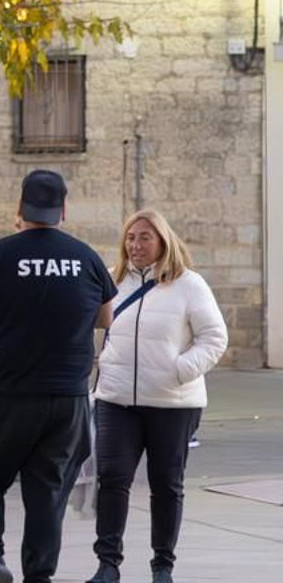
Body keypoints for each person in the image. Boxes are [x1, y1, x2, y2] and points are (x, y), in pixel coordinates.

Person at [0, 169, 116, 583]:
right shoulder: (86, 257)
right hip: (65, 399)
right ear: (63, 210)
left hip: (1, 394)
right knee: (48, 489)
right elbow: (105, 318)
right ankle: (38, 575)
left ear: (20, 209)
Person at [86, 210, 228, 583]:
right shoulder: (113, 281)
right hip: (116, 401)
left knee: (166, 483)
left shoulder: (189, 284)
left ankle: (162, 565)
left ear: (163, 241)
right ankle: (107, 565)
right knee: (113, 479)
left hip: (172, 403)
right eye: (130, 238)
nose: (136, 245)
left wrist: (179, 371)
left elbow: (214, 338)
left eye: (145, 237)